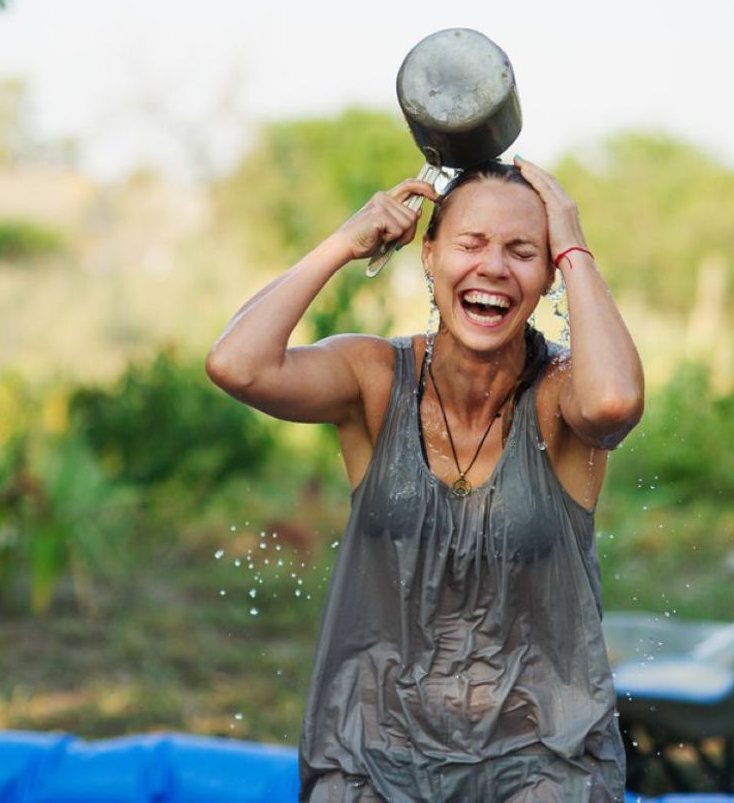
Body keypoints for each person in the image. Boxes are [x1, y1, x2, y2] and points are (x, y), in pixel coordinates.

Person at [205, 157, 644, 802]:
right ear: (428, 253)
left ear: (549, 273)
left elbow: (612, 406)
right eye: (471, 243)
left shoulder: (560, 397)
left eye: (523, 251)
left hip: (541, 761)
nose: (493, 267)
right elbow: (235, 365)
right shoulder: (375, 378)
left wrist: (574, 244)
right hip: (372, 753)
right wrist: (343, 243)